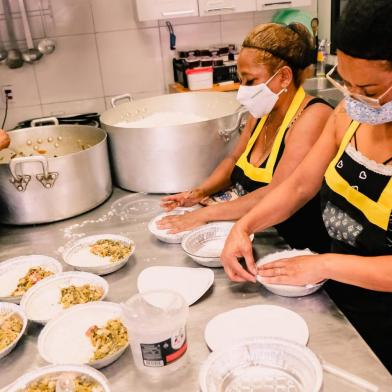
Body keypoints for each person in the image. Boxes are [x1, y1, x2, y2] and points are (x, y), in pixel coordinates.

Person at [221, 0, 392, 372]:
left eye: (368, 87)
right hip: (338, 306)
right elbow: (298, 186)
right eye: (344, 81)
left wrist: (325, 263)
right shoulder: (348, 116)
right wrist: (243, 226)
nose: (353, 95)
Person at [159, 22, 333, 253]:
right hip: (256, 232)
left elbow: (279, 191)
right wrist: (200, 193)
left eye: (250, 81)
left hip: (293, 246)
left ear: (283, 77)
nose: (243, 91)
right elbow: (233, 162)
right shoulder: (262, 112)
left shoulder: (313, 117)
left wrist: (205, 214)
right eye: (241, 80)